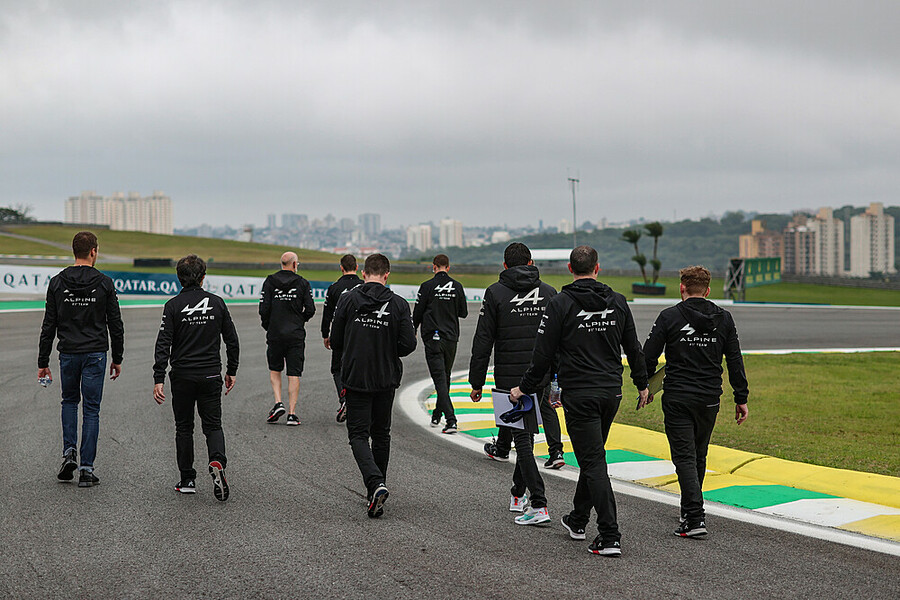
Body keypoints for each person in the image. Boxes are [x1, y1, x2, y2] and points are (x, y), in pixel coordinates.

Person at [512, 245, 649, 557]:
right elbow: (634, 348)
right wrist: (642, 384)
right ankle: (577, 519)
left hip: (580, 394)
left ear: (570, 269)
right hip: (611, 392)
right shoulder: (618, 301)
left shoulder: (560, 304)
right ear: (597, 268)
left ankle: (609, 534)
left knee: (593, 461)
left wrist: (524, 388)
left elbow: (542, 355)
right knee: (593, 455)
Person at [641, 265, 749, 538]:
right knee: (698, 454)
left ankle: (694, 516)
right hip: (710, 397)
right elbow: (734, 359)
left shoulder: (669, 316)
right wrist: (741, 397)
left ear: (682, 288)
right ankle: (689, 509)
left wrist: (645, 386)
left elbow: (648, 356)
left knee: (684, 457)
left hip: (678, 395)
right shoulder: (724, 319)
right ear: (708, 290)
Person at [468, 242, 560, 525]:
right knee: (525, 437)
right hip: (541, 375)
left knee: (522, 440)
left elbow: (483, 339)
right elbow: (560, 340)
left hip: (509, 378)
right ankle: (518, 493)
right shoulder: (549, 293)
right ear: (531, 262)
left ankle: (539, 503)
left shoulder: (495, 293)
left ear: (505, 265)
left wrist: (476, 382)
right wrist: (557, 378)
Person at [330, 253, 416, 518]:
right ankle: (377, 487)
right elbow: (408, 344)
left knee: (358, 435)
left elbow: (336, 340)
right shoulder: (399, 304)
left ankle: (375, 483)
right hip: (385, 377)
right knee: (381, 434)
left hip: (356, 376)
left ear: (364, 273)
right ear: (387, 275)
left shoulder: (347, 299)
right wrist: (387, 347)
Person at [38, 231, 124, 488]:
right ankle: (86, 469)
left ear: (74, 251)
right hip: (95, 353)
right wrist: (117, 357)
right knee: (91, 409)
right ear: (93, 251)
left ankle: (69, 453)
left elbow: (48, 325)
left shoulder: (57, 282)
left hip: (68, 352)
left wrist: (43, 361)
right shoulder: (105, 283)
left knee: (69, 401)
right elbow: (116, 324)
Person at [153, 255, 239, 501]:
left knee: (184, 427)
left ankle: (187, 479)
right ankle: (217, 461)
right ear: (203, 277)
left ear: (179, 278)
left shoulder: (172, 306)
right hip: (211, 373)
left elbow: (163, 343)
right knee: (213, 425)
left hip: (182, 376)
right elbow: (232, 341)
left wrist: (159, 377)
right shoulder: (217, 303)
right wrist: (231, 370)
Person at [412, 254, 468, 434]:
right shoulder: (457, 286)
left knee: (439, 378)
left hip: (433, 338)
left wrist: (413, 329)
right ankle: (437, 413)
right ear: (448, 267)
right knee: (445, 376)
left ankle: (451, 420)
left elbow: (417, 312)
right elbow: (464, 312)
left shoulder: (427, 286)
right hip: (451, 337)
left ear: (434, 267)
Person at [259, 251, 316, 425]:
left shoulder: (269, 281)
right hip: (295, 334)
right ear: (295, 264)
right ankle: (292, 413)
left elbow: (263, 309)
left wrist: (269, 325)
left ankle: (278, 402)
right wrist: (300, 320)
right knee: (294, 373)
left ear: (282, 264)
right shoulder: (303, 283)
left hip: (275, 333)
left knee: (275, 369)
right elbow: (311, 309)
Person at [321, 254, 363, 423]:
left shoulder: (334, 288)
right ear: (357, 267)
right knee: (359, 368)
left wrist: (325, 334)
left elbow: (327, 314)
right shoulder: (364, 286)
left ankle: (344, 399)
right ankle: (358, 403)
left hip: (340, 334)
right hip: (361, 334)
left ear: (341, 268)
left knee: (337, 369)